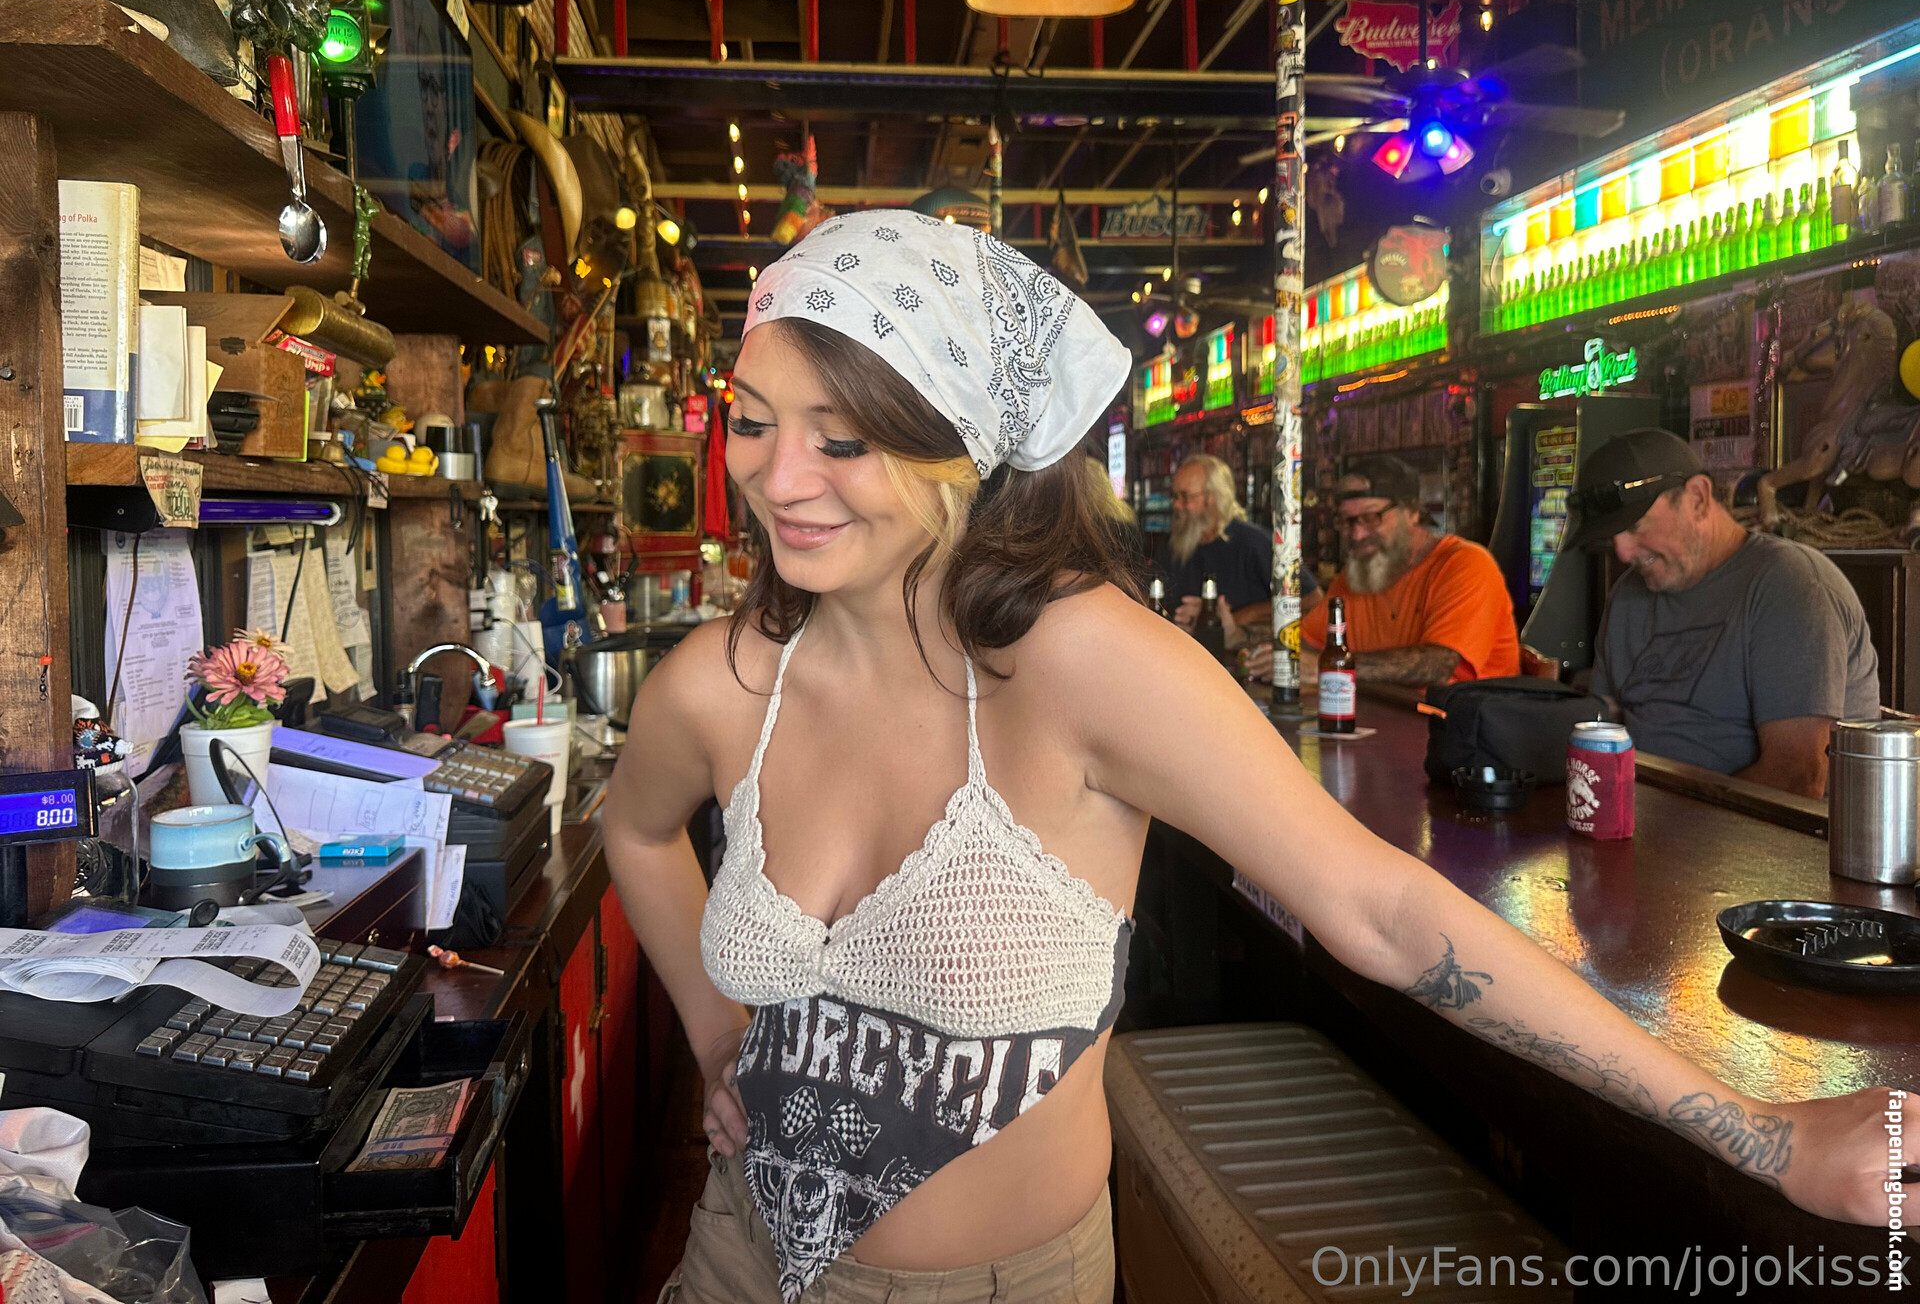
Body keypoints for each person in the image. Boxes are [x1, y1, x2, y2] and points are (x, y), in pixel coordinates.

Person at [602, 212, 1902, 1304]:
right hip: (734, 1259)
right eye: (752, 422)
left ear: (966, 443)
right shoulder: (728, 680)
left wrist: (1763, 1136)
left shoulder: (1076, 662)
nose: (777, 479)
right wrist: (718, 1040)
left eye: (841, 439)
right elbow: (635, 827)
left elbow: (1382, 908)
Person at [1566, 429, 1879, 799]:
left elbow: (1798, 776)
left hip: (1755, 832)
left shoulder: (1790, 586)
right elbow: (1602, 730)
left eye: (1635, 526)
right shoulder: (1627, 597)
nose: (1622, 552)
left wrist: (1673, 824)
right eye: (1611, 537)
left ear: (1697, 498)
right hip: (1643, 815)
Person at [1245, 456, 1517, 687]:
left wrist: (1328, 667)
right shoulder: (1358, 575)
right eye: (1347, 521)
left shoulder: (1465, 565)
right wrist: (1249, 642)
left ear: (1412, 512)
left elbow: (1437, 666)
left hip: (1466, 725)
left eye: (1372, 517)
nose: (1357, 534)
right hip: (1386, 721)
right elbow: (1308, 643)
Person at [1162, 453, 1272, 637]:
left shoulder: (1253, 542)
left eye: (1185, 497)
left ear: (1213, 497)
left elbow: (1310, 599)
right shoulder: (1175, 544)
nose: (1177, 505)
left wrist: (1233, 618)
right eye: (1175, 496)